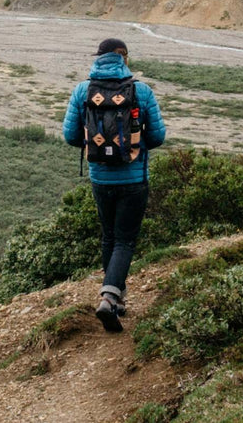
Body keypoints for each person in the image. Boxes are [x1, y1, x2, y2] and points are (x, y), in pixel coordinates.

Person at [63, 37, 166, 333]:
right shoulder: (141, 92)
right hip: (134, 178)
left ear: (99, 58)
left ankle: (116, 300)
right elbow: (157, 138)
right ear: (124, 58)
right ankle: (109, 298)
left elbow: (71, 136)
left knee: (109, 237)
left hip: (100, 179)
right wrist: (134, 143)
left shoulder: (83, 91)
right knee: (125, 240)